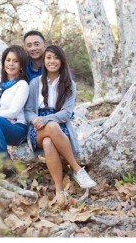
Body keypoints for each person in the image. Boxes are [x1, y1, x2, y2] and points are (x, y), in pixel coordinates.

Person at [24, 45, 96, 207]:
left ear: (62, 61)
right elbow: (28, 111)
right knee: (51, 129)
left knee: (49, 141)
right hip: (37, 128)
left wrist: (48, 118)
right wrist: (36, 119)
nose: (52, 61)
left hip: (59, 123)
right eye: (48, 57)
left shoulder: (69, 84)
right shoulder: (35, 83)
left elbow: (66, 113)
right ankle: (77, 169)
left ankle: (59, 191)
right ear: (43, 60)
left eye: (56, 58)